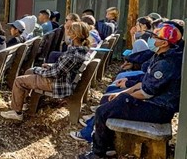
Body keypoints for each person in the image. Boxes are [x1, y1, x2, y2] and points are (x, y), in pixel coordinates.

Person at [78, 23, 183, 159]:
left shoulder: (166, 64)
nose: (151, 38)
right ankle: (108, 145)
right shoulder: (160, 55)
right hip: (154, 102)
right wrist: (121, 93)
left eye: (154, 37)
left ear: (163, 43)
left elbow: (146, 92)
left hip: (159, 109)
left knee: (102, 111)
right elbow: (144, 82)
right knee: (113, 102)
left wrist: (122, 97)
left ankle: (97, 154)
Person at [1, 22, 92, 121]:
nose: (68, 31)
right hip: (62, 80)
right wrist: (49, 65)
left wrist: (38, 70)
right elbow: (64, 67)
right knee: (29, 71)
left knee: (19, 81)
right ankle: (23, 103)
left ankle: (17, 113)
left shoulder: (73, 54)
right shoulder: (80, 50)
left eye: (70, 30)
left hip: (56, 83)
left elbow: (55, 73)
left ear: (75, 35)